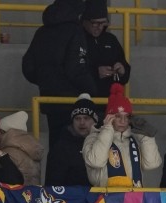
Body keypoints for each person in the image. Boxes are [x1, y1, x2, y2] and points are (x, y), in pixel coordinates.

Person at [21, 0, 96, 146]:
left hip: (48, 99)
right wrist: (92, 90)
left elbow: (28, 67)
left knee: (55, 146)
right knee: (74, 148)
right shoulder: (74, 31)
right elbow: (76, 69)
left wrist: (46, 81)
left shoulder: (41, 32)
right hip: (72, 101)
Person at [83, 83, 161, 188]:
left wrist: (145, 135)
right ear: (109, 117)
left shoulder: (136, 138)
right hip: (104, 196)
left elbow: (152, 164)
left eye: (127, 117)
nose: (123, 121)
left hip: (134, 196)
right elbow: (96, 162)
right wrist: (107, 129)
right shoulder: (93, 137)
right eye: (118, 116)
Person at [45, 94, 98, 187]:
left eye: (86, 118)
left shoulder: (103, 143)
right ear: (72, 122)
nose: (82, 122)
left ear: (95, 121)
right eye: (77, 118)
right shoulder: (60, 148)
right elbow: (52, 185)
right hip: (69, 195)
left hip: (99, 195)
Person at [80, 0, 129, 99]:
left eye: (103, 23)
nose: (99, 27)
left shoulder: (111, 39)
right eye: (95, 23)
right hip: (83, 100)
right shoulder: (76, 39)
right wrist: (95, 72)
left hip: (109, 100)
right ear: (84, 21)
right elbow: (72, 70)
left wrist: (122, 71)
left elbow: (124, 69)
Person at [0, 111, 44, 186]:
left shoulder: (8, 153)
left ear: (11, 134)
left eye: (1, 132)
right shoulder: (32, 150)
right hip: (33, 192)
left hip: (16, 193)